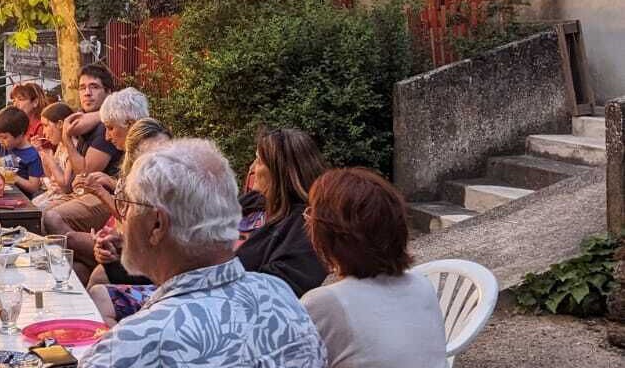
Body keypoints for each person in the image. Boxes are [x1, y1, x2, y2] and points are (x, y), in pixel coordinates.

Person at [79, 139, 326, 368]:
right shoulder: (281, 296)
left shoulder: (126, 349)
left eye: (126, 204)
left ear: (157, 225)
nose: (122, 214)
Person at [301, 168, 448, 368]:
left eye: (311, 214)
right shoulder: (422, 284)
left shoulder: (323, 303)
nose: (307, 220)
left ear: (331, 233)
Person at [41, 85, 147, 281]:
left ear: (131, 124)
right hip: (123, 234)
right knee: (75, 268)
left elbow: (132, 217)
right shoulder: (133, 155)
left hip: (141, 252)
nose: (107, 136)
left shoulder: (148, 159)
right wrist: (109, 182)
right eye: (82, 88)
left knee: (62, 233)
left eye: (111, 128)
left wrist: (100, 190)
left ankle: (101, 267)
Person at [85, 117, 171, 325]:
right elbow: (138, 234)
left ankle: (118, 349)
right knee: (97, 273)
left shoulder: (176, 188)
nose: (157, 162)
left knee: (97, 289)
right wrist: (116, 243)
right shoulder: (132, 186)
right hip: (152, 263)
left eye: (164, 152)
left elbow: (173, 249)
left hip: (170, 274)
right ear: (133, 160)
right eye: (148, 156)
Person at [236, 127, 329, 297]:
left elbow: (278, 290)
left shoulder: (305, 229)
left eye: (259, 160)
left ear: (281, 171)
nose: (252, 168)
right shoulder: (250, 203)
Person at [61, 65, 123, 178]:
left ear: (108, 92)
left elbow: (85, 174)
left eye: (94, 87)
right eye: (82, 88)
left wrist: (67, 139)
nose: (87, 93)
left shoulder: (108, 126)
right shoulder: (84, 119)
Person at [0, 106, 45, 197]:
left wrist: (12, 177)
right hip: (1, 192)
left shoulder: (32, 156)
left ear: (20, 134)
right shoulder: (5, 145)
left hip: (20, 199)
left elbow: (34, 187)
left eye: (4, 137)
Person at [33, 102, 76, 207]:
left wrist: (51, 162)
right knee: (30, 205)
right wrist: (42, 154)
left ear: (60, 124)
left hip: (65, 198)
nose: (43, 132)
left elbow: (65, 186)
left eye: (46, 125)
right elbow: (51, 176)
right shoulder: (61, 145)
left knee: (36, 211)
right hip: (54, 194)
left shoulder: (73, 147)